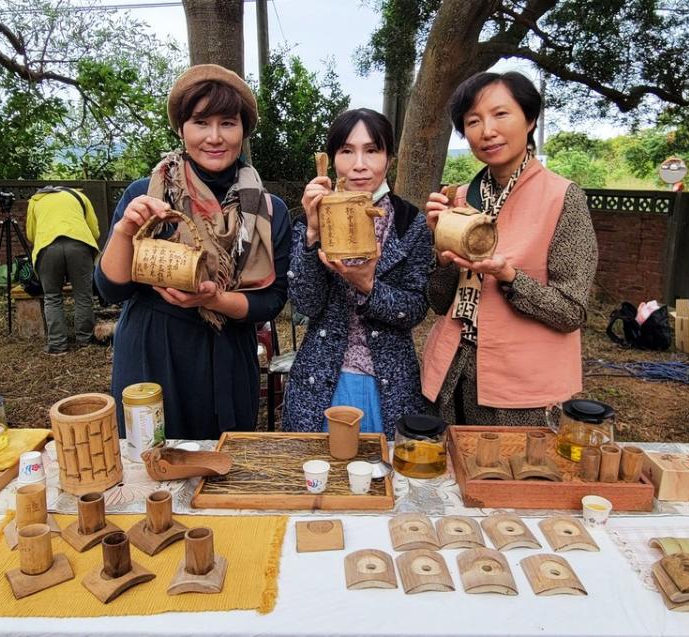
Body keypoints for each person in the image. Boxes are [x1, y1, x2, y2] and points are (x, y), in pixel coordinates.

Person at [94, 64, 290, 439]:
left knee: (222, 470)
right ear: (181, 128)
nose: (214, 137)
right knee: (151, 466)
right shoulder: (146, 196)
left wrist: (216, 300)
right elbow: (110, 289)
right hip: (153, 352)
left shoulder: (268, 211)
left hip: (229, 353)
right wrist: (124, 231)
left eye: (228, 123)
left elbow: (271, 300)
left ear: (244, 130)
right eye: (201, 122)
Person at [421, 71, 598, 426]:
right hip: (451, 375)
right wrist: (443, 259)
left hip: (521, 391)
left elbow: (571, 312)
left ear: (530, 119)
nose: (487, 131)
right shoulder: (458, 198)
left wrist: (509, 276)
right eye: (473, 121)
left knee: (508, 477)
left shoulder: (562, 197)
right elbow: (440, 303)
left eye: (501, 114)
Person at [283, 108, 432, 438]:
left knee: (384, 480)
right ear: (333, 158)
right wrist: (311, 231)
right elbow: (306, 304)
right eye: (347, 151)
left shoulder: (411, 223)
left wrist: (368, 286)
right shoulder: (314, 216)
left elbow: (416, 308)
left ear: (389, 160)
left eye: (372, 150)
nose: (359, 164)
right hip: (322, 378)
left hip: (390, 383)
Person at [26, 186, 100, 355]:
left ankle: (57, 345)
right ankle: (85, 340)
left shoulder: (36, 201)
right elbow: (94, 230)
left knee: (52, 297)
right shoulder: (79, 196)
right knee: (83, 295)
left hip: (48, 247)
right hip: (79, 246)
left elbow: (31, 235)